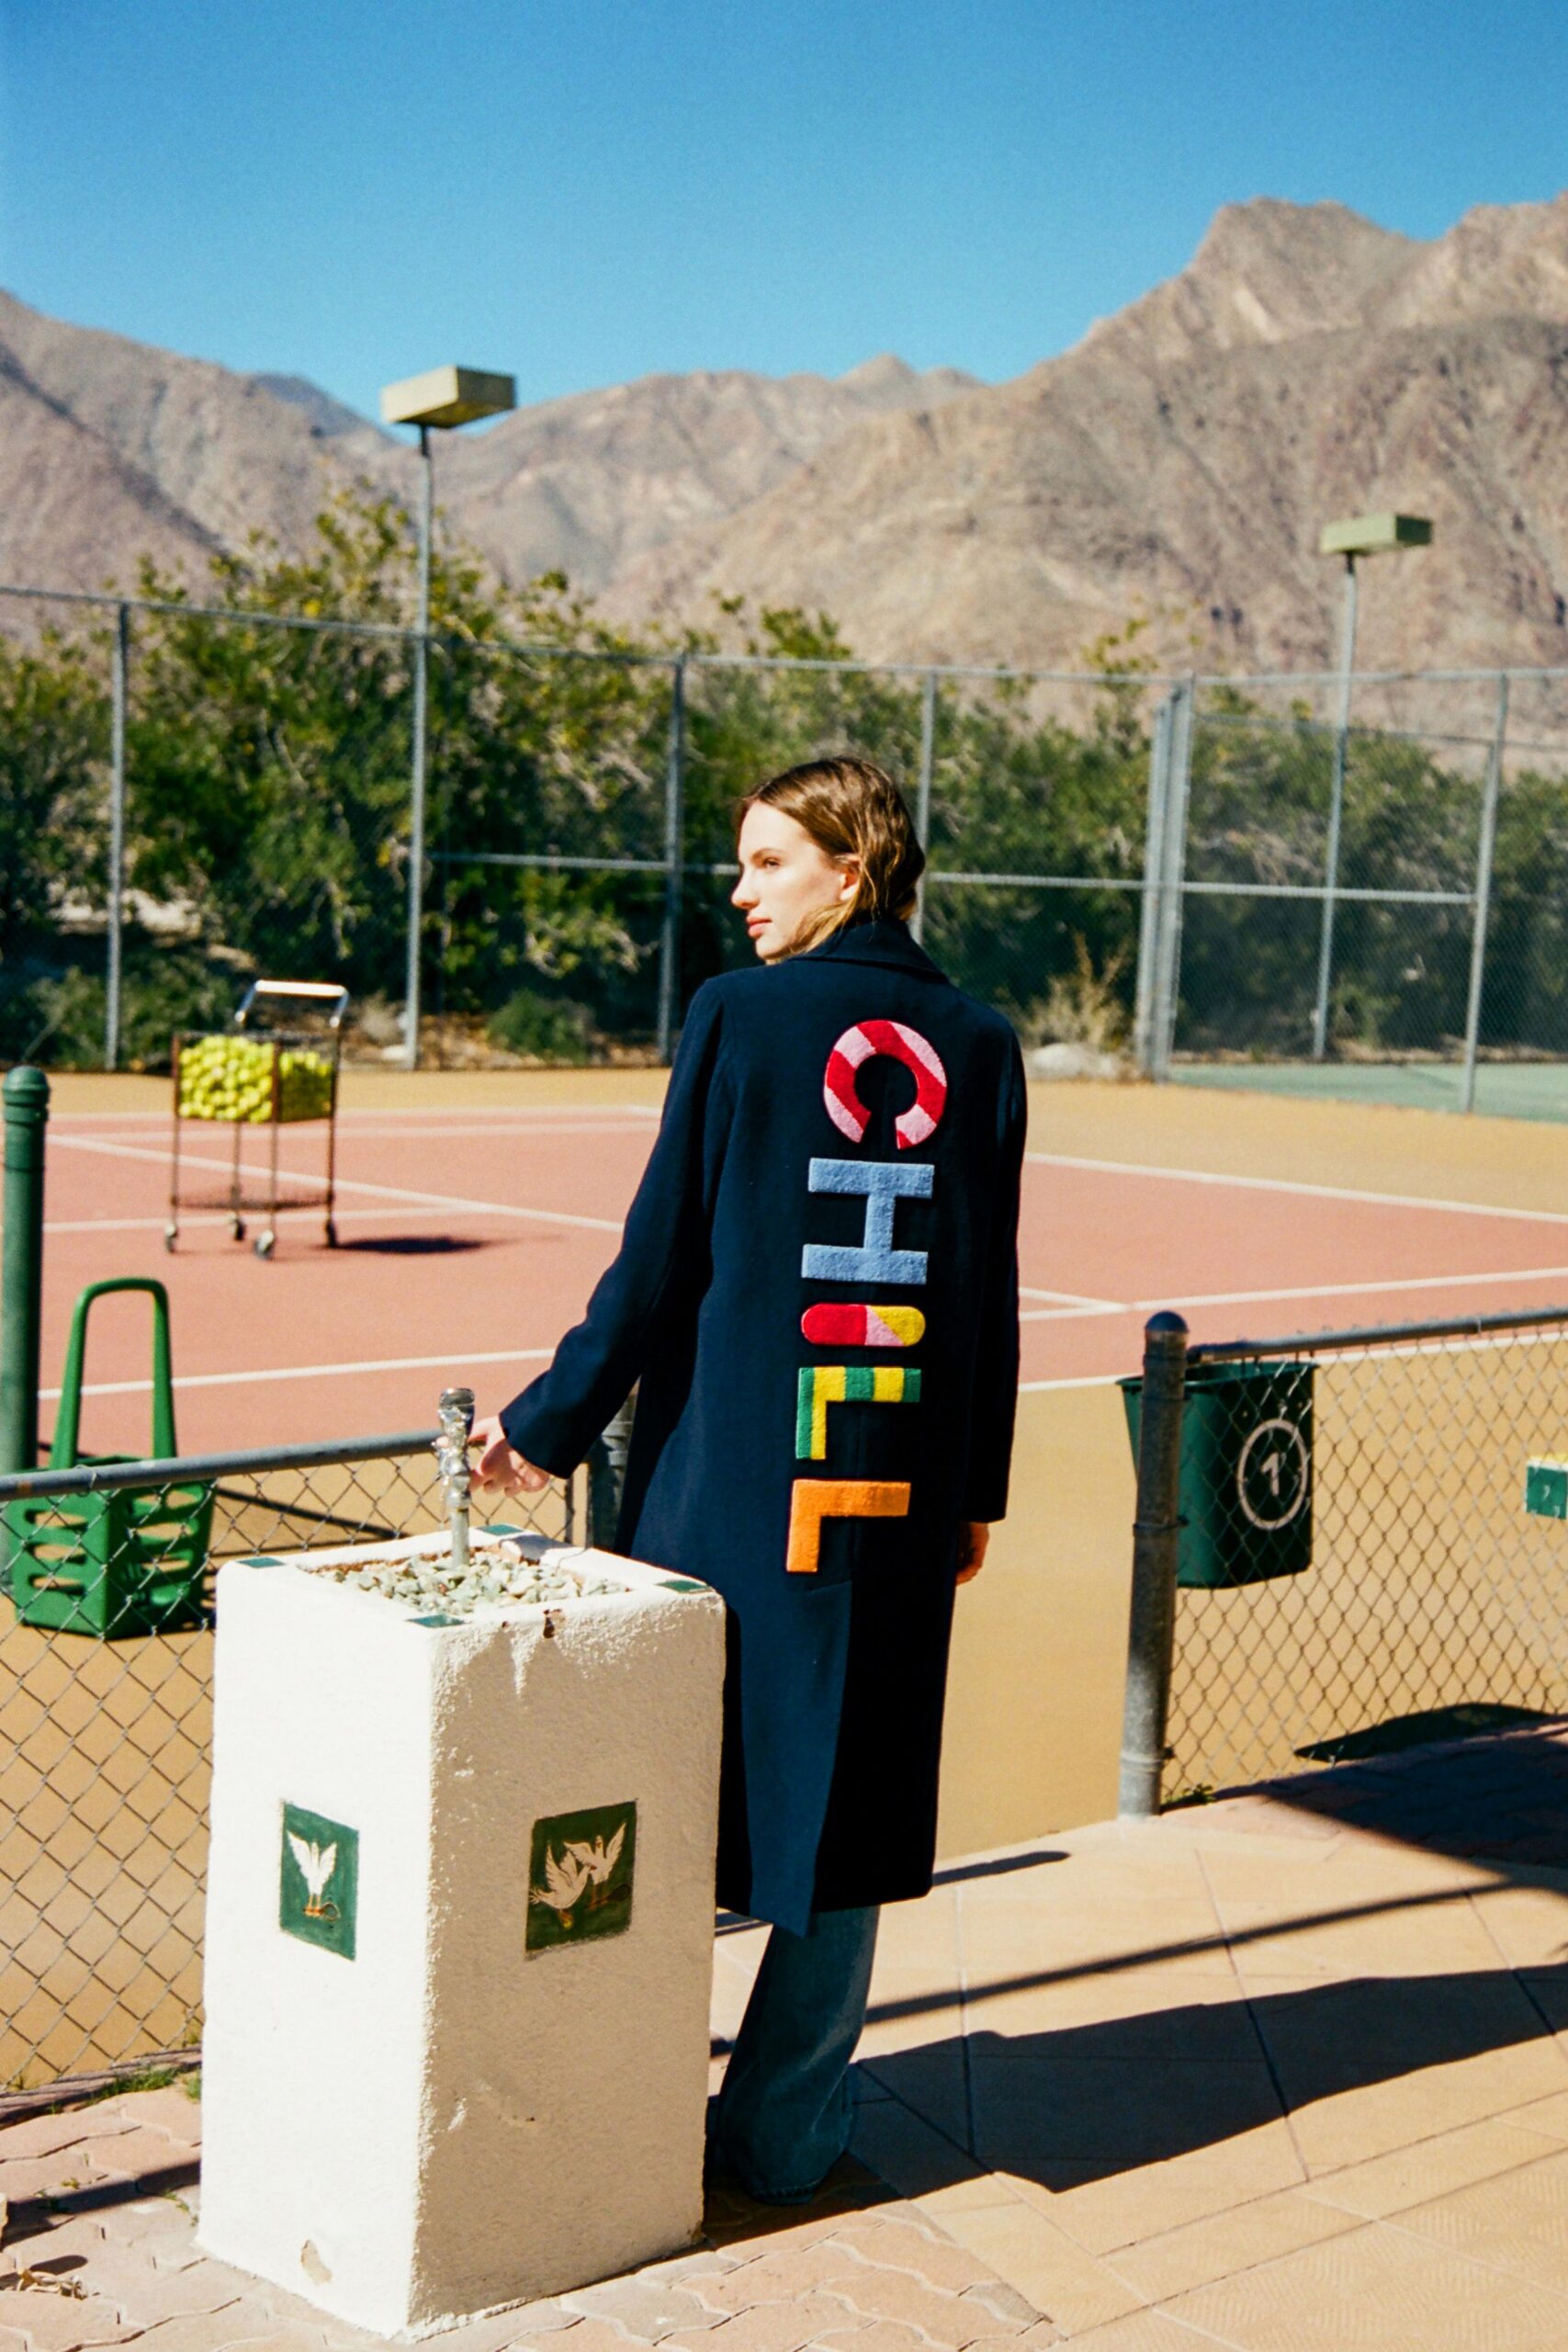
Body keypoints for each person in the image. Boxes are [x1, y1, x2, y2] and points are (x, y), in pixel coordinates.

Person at [472, 754, 1025, 2203]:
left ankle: (628, 2126)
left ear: (856, 867)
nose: (740, 890)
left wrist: (546, 1422)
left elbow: (659, 1259)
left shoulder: (739, 1015)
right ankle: (783, 2139)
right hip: (890, 1490)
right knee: (849, 1800)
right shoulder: (981, 1041)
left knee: (666, 1784)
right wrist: (974, 1489)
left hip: (731, 1486)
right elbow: (985, 1291)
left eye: (769, 861)